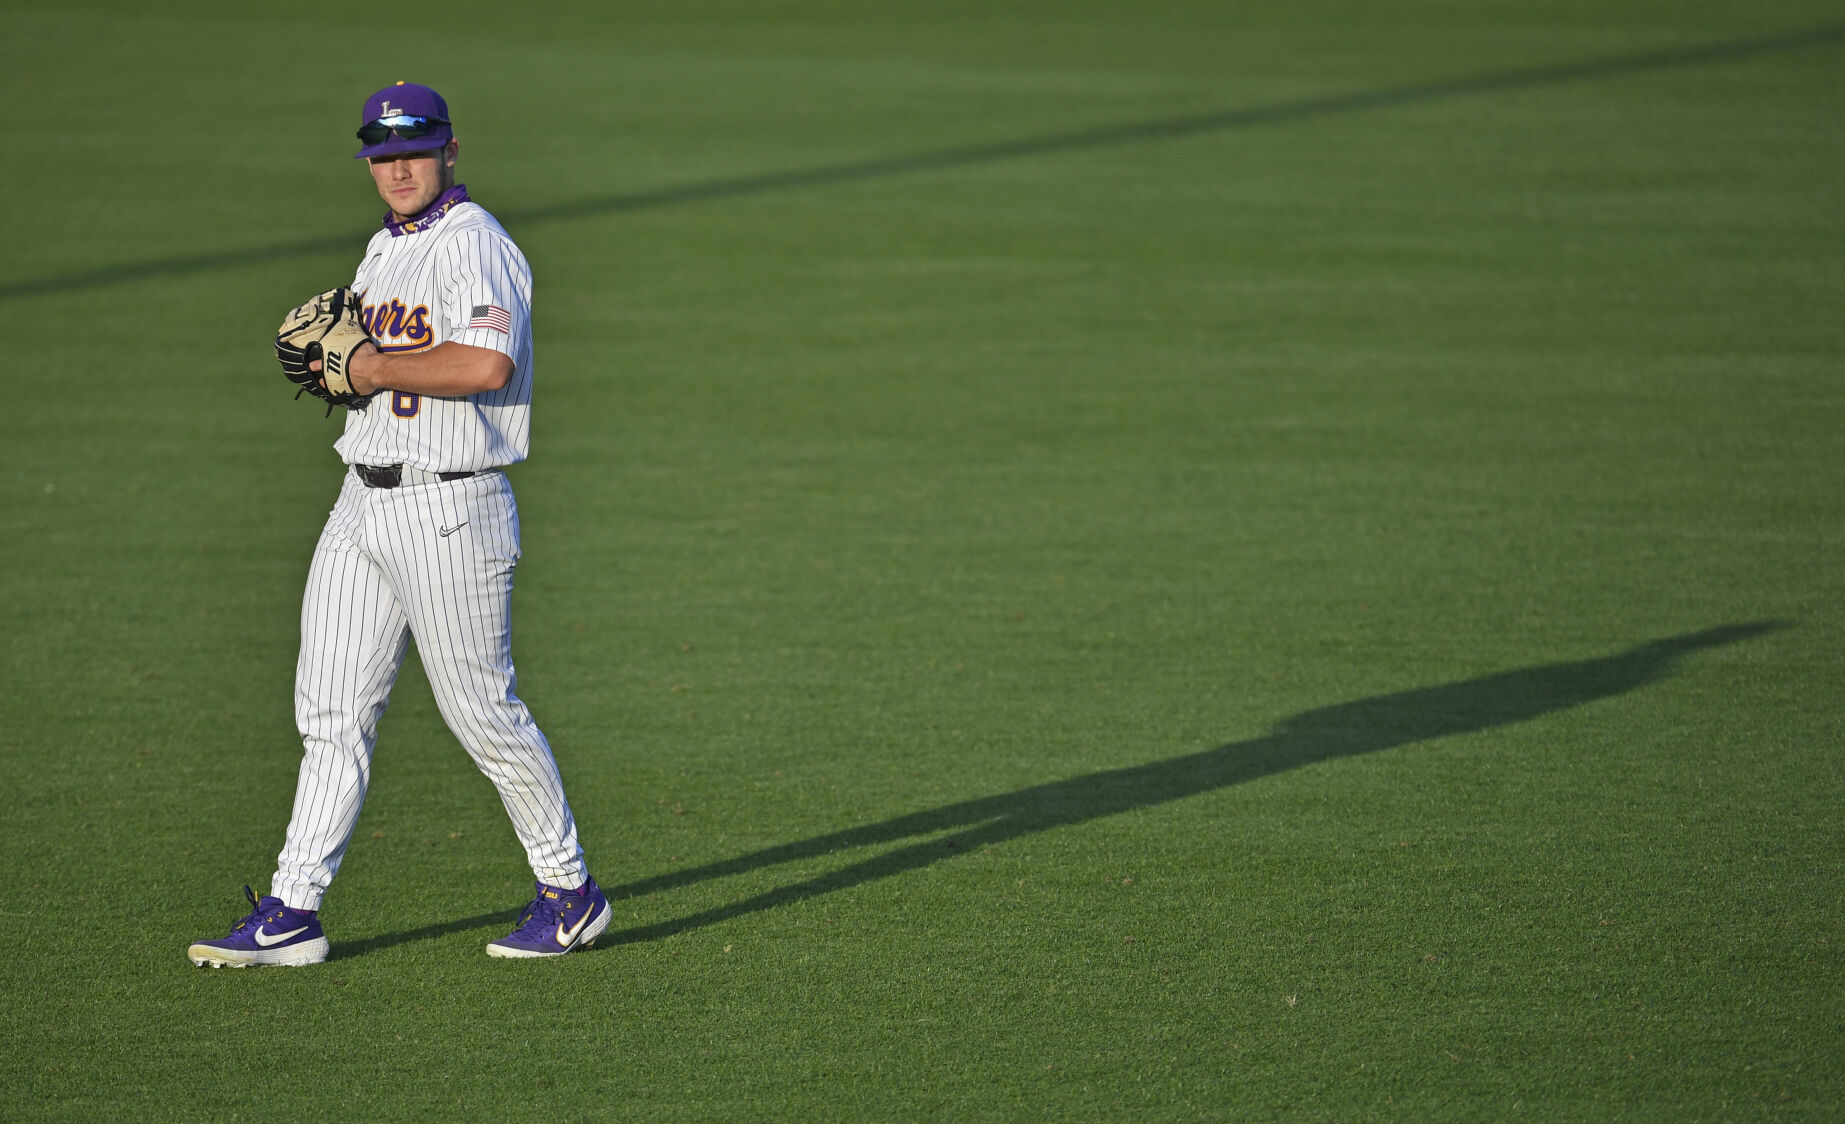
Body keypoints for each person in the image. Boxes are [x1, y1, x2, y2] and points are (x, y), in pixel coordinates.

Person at [189, 82, 608, 966]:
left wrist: (372, 365)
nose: (398, 168)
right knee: (330, 712)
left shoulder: (477, 246)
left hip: (451, 505)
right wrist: (355, 365)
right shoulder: (382, 248)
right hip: (360, 501)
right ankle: (293, 909)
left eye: (414, 151)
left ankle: (569, 891)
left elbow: (487, 362)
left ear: (449, 151)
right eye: (383, 156)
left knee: (483, 715)